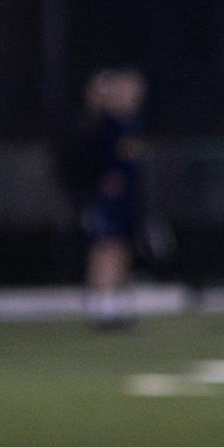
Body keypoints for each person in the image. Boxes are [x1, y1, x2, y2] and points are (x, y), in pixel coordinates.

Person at [60, 68, 147, 328]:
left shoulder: (131, 122)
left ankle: (111, 303)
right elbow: (83, 159)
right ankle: (101, 306)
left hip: (127, 198)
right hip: (105, 199)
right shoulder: (98, 123)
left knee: (120, 247)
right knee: (105, 247)